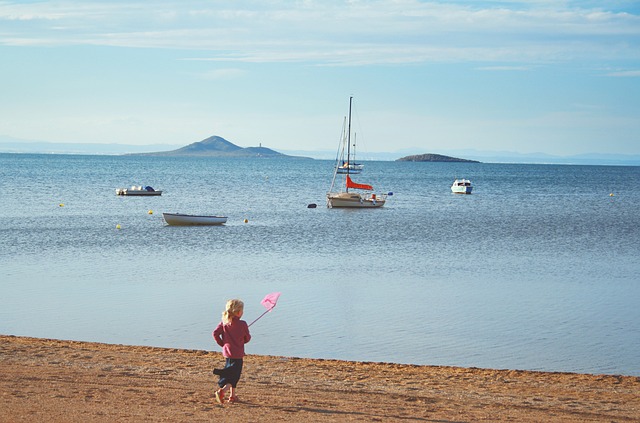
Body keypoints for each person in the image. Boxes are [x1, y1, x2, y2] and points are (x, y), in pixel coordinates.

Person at [212, 299, 251, 404]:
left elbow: (215, 334)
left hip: (228, 353)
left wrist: (223, 344)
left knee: (230, 373)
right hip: (237, 354)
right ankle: (222, 391)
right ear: (238, 312)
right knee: (235, 376)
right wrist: (243, 335)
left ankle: (232, 396)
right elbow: (247, 339)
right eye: (242, 311)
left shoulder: (224, 323)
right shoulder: (242, 324)